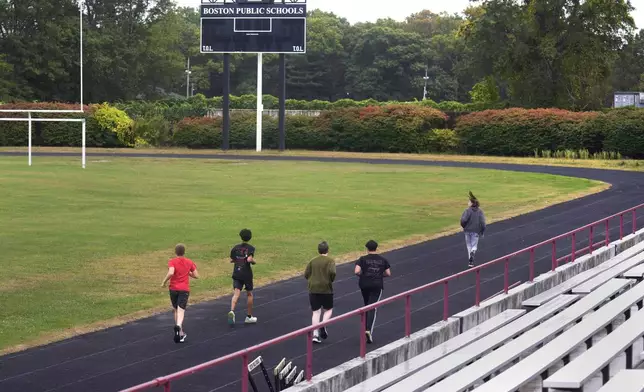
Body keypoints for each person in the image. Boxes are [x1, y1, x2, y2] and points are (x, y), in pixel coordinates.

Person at [161, 243, 199, 343]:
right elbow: (196, 275)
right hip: (184, 289)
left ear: (175, 252)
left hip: (173, 288)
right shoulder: (189, 262)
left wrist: (164, 281)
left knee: (175, 309)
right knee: (181, 310)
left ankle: (180, 332)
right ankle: (179, 327)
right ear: (184, 252)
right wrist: (188, 273)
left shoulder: (172, 261)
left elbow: (171, 272)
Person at [355, 240, 391, 344]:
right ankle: (368, 329)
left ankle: (366, 328)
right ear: (376, 248)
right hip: (377, 285)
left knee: (367, 305)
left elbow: (356, 271)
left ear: (367, 249)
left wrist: (363, 275)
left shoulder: (362, 259)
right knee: (372, 307)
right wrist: (380, 275)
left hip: (364, 284)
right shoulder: (383, 259)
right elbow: (388, 273)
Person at [304, 241, 336, 344]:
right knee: (328, 309)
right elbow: (333, 273)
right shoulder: (330, 261)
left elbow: (306, 274)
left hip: (313, 289)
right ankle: (323, 324)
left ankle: (315, 335)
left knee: (316, 312)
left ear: (318, 250)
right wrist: (330, 279)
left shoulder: (312, 261)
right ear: (328, 250)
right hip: (326, 288)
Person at [228, 229, 258, 325]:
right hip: (246, 273)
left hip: (237, 272)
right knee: (249, 294)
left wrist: (236, 260)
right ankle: (249, 316)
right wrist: (253, 261)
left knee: (236, 293)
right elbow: (249, 259)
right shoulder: (251, 248)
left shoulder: (235, 248)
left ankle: (232, 311)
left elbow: (232, 259)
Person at [460, 191, 486, 268]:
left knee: (468, 245)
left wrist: (464, 226)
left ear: (472, 203)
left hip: (467, 230)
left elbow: (463, 220)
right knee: (474, 245)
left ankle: (470, 261)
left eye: (469, 201)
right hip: (476, 231)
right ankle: (472, 254)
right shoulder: (480, 211)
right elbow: (483, 223)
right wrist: (482, 231)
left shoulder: (467, 211)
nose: (468, 203)